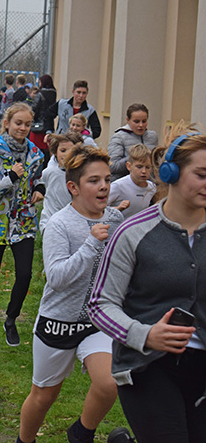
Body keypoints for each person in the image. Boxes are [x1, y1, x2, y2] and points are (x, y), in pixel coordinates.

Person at [88, 125, 206, 443]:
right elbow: (100, 304)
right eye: (202, 174)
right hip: (148, 365)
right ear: (170, 173)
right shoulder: (133, 232)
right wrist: (145, 334)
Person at [17, 144, 123, 443]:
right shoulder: (59, 225)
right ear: (73, 187)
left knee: (108, 383)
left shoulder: (115, 220)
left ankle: (81, 433)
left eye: (107, 180)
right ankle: (24, 440)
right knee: (44, 396)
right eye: (94, 181)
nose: (103, 186)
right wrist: (90, 244)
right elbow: (57, 278)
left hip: (97, 320)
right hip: (58, 322)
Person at [0, 103, 45, 347]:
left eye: (27, 124)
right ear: (7, 123)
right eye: (18, 123)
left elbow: (38, 178)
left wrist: (39, 188)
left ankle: (11, 319)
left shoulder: (36, 154)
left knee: (25, 274)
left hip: (23, 221)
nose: (23, 128)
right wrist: (10, 178)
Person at [39, 132, 83, 232]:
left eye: (71, 151)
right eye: (63, 150)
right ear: (55, 152)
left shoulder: (83, 175)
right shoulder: (49, 172)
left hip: (74, 224)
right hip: (50, 223)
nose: (67, 154)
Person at [107, 103, 159, 181]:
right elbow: (112, 166)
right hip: (124, 185)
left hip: (149, 185)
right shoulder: (119, 137)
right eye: (136, 121)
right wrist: (134, 158)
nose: (141, 125)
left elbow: (155, 163)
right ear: (128, 120)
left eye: (144, 121)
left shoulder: (152, 136)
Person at [108, 144, 156, 220]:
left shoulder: (152, 188)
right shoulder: (118, 186)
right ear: (129, 166)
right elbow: (98, 209)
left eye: (147, 167)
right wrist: (117, 208)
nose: (144, 171)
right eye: (139, 167)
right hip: (118, 229)